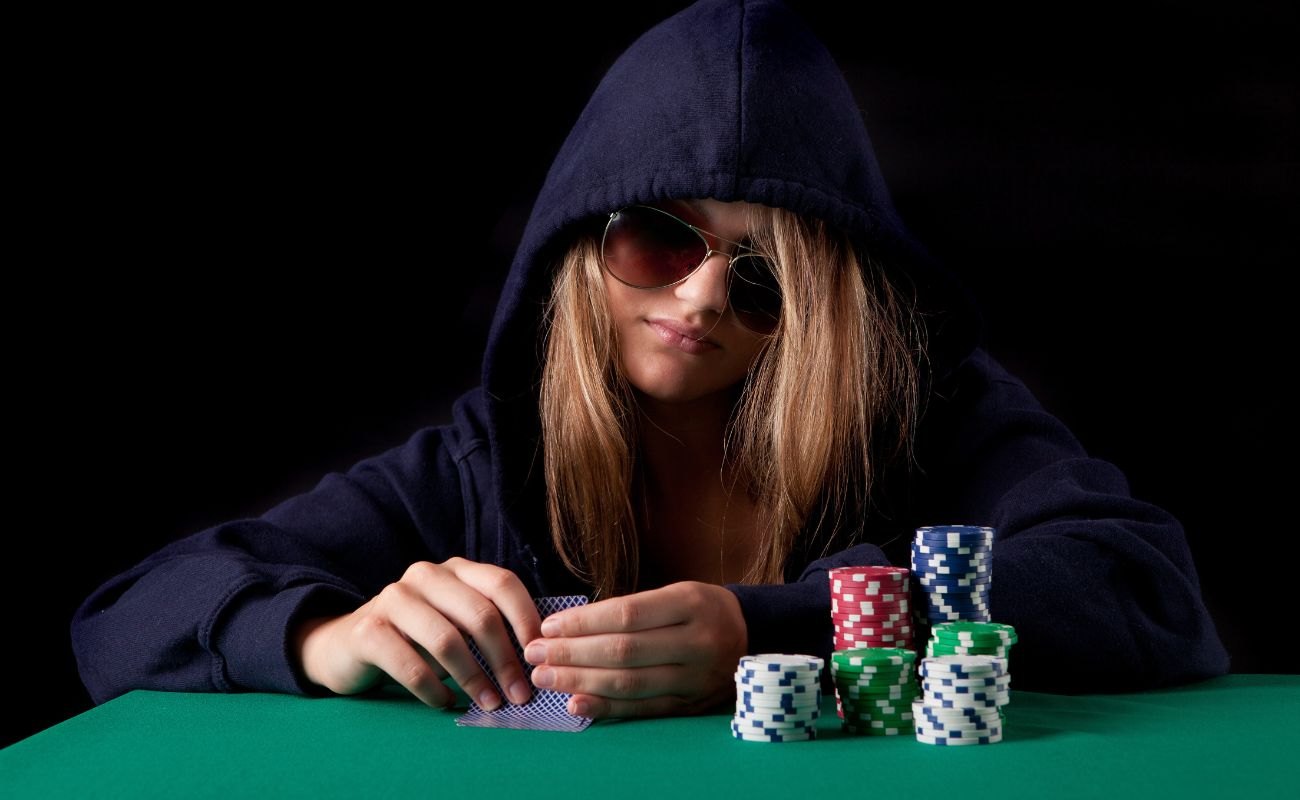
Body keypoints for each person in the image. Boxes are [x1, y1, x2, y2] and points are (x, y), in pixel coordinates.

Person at [72, 0, 1229, 720]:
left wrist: (772, 628)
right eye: (659, 239)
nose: (701, 296)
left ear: (826, 305)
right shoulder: (489, 455)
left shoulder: (933, 418)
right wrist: (321, 637)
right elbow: (123, 615)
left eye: (764, 274)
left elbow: (1144, 586)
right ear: (580, 246)